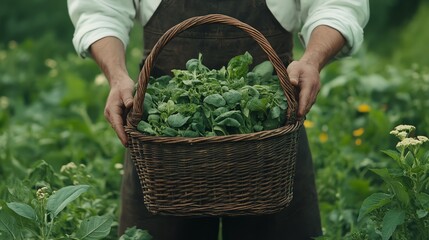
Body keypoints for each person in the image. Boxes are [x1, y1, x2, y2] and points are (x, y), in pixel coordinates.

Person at [67, 0, 369, 239]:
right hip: (166, 145)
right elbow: (99, 9)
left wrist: (312, 60)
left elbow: (338, 4)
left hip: (271, 128)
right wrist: (117, 76)